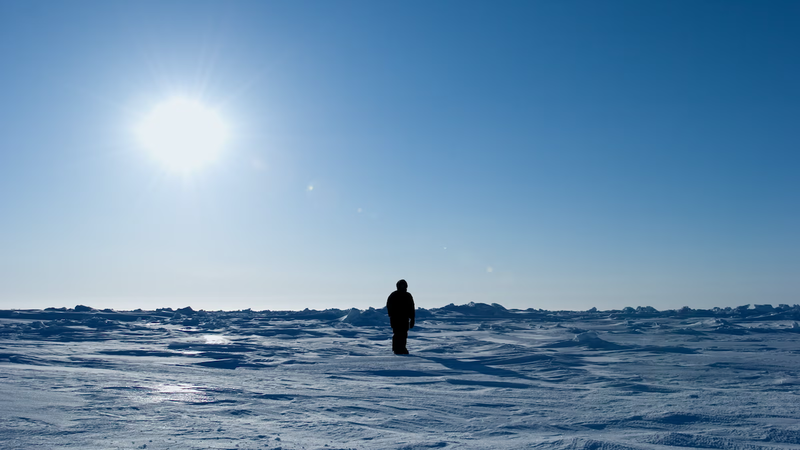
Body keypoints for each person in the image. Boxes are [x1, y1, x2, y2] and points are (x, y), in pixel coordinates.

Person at [386, 279, 415, 354]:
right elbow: (389, 306)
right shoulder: (394, 295)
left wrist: (412, 319)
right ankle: (396, 349)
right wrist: (392, 315)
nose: (403, 287)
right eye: (401, 286)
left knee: (404, 334)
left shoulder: (408, 295)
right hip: (396, 319)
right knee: (397, 333)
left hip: (405, 319)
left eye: (404, 286)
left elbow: (412, 307)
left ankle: (402, 348)